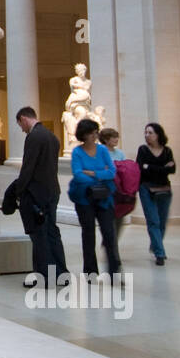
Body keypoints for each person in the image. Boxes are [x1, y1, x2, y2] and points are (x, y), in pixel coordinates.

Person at [12, 106, 68, 287]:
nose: (21, 129)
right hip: (52, 190)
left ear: (23, 119)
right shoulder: (51, 136)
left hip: (37, 193)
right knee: (52, 232)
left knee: (39, 235)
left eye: (20, 124)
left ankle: (44, 275)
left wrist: (19, 191)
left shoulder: (34, 137)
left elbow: (28, 167)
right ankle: (61, 273)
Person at [69, 118, 122, 276]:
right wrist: (100, 175)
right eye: (91, 133)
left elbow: (111, 172)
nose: (94, 136)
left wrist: (92, 173)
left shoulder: (103, 150)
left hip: (104, 197)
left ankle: (114, 270)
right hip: (84, 198)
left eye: (95, 132)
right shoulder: (78, 152)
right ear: (83, 135)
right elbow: (78, 175)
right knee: (88, 234)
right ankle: (91, 271)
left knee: (109, 233)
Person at [135, 122, 175, 265]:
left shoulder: (167, 151)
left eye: (150, 132)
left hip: (165, 189)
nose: (147, 135)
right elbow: (141, 168)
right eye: (145, 133)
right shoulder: (143, 150)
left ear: (158, 134)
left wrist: (150, 167)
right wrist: (161, 168)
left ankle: (155, 245)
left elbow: (172, 169)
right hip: (146, 188)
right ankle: (160, 253)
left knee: (162, 222)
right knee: (153, 221)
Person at [99, 127, 136, 243]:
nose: (116, 139)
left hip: (119, 191)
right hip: (106, 189)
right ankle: (110, 244)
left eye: (116, 137)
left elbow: (125, 169)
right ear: (106, 139)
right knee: (108, 219)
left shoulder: (119, 153)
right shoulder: (100, 152)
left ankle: (112, 243)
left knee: (118, 218)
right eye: (113, 137)